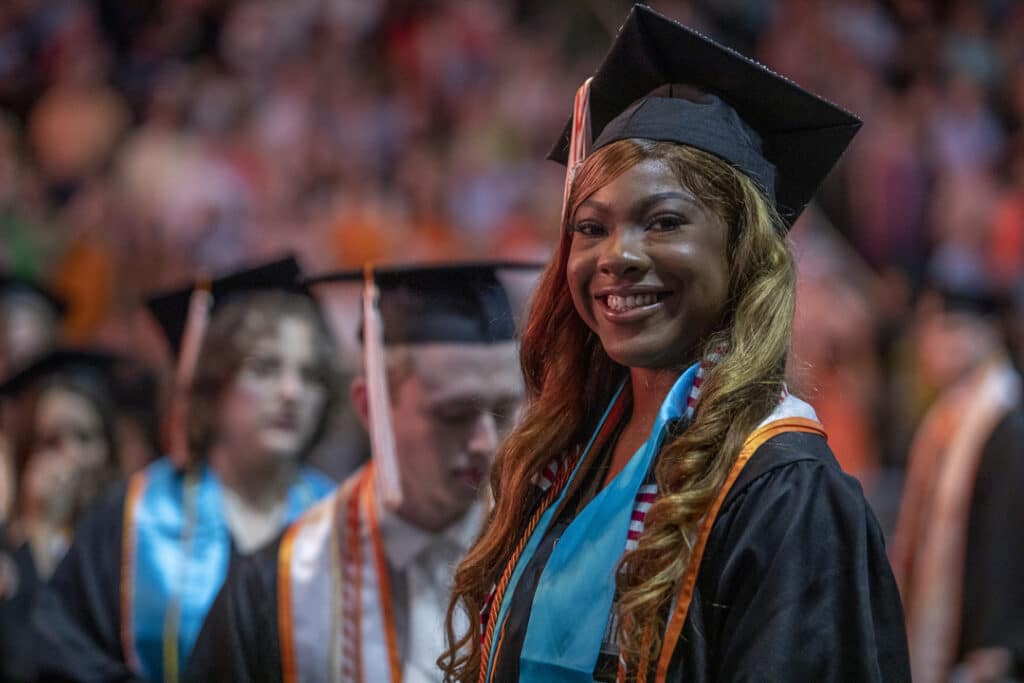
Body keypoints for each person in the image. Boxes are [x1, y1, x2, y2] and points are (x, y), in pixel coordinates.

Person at [440, 6, 910, 683]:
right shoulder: (564, 458)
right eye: (591, 227)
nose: (618, 256)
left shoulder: (786, 492)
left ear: (743, 252)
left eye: (663, 221)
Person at [182, 262, 527, 683]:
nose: (486, 442)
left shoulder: (541, 559)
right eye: (454, 414)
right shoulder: (276, 585)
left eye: (504, 410)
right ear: (370, 406)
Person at [31, 257, 341, 683]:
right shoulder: (133, 516)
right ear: (213, 384)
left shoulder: (340, 518)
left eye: (310, 375)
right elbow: (65, 654)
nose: (292, 392)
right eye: (265, 368)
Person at [890, 270, 1024, 683]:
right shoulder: (944, 420)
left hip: (989, 647)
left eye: (952, 327)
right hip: (953, 642)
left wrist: (1001, 644)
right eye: (932, 328)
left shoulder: (1007, 422)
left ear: (987, 335)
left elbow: (1006, 539)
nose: (937, 343)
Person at [0, 349, 122, 683]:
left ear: (109, 450)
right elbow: (24, 664)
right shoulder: (9, 555)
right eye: (51, 441)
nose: (70, 456)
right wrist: (41, 529)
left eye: (84, 437)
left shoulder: (133, 543)